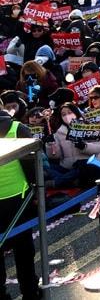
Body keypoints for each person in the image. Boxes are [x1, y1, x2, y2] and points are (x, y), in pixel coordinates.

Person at [0, 105, 40, 300]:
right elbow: (32, 164)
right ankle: (30, 291)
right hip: (18, 195)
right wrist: (36, 189)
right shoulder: (18, 128)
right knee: (23, 247)